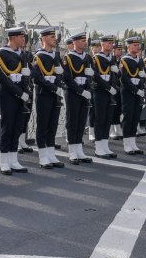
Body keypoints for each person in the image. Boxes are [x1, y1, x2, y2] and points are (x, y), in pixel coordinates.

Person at [0, 26, 30, 174]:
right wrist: (18, 92)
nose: (24, 39)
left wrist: (28, 75)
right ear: (13, 38)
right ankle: (4, 161)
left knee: (18, 126)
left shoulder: (23, 54)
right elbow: (1, 76)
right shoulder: (2, 53)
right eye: (21, 37)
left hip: (21, 94)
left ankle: (13, 159)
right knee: (7, 127)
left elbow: (26, 74)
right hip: (8, 95)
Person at [32, 26, 65, 168]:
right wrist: (54, 88)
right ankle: (43, 155)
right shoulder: (38, 56)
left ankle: (51, 153)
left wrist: (61, 74)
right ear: (44, 38)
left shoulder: (56, 56)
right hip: (44, 94)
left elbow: (62, 75)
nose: (54, 40)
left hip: (55, 94)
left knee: (53, 125)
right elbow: (38, 78)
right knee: (43, 125)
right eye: (52, 37)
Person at [63, 32, 94, 164]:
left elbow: (91, 75)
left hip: (84, 92)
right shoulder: (68, 58)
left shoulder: (87, 57)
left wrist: (90, 82)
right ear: (74, 42)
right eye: (82, 41)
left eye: (85, 40)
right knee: (73, 121)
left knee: (81, 122)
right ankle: (72, 152)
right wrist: (81, 91)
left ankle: (79, 150)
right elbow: (68, 78)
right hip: (73, 93)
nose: (84, 43)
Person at [90, 34, 118, 159]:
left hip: (109, 92)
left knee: (108, 119)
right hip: (100, 91)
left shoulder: (111, 58)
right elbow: (95, 76)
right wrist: (108, 87)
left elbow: (115, 76)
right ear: (102, 44)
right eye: (108, 43)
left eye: (112, 43)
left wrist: (117, 73)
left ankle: (105, 145)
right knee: (100, 119)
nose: (111, 45)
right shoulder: (96, 58)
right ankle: (98, 148)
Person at [119, 36, 146, 155]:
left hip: (138, 92)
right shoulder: (124, 60)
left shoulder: (140, 60)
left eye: (138, 45)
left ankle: (133, 142)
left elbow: (140, 76)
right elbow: (124, 78)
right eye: (134, 45)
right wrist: (136, 90)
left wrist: (141, 88)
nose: (137, 47)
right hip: (128, 92)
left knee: (135, 117)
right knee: (128, 117)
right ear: (128, 47)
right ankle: (126, 144)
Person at [110, 40, 124, 140]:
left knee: (118, 109)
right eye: (118, 49)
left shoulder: (122, 61)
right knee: (112, 109)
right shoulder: (111, 60)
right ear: (113, 50)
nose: (120, 51)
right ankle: (111, 130)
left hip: (120, 88)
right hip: (112, 88)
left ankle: (117, 128)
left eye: (121, 49)